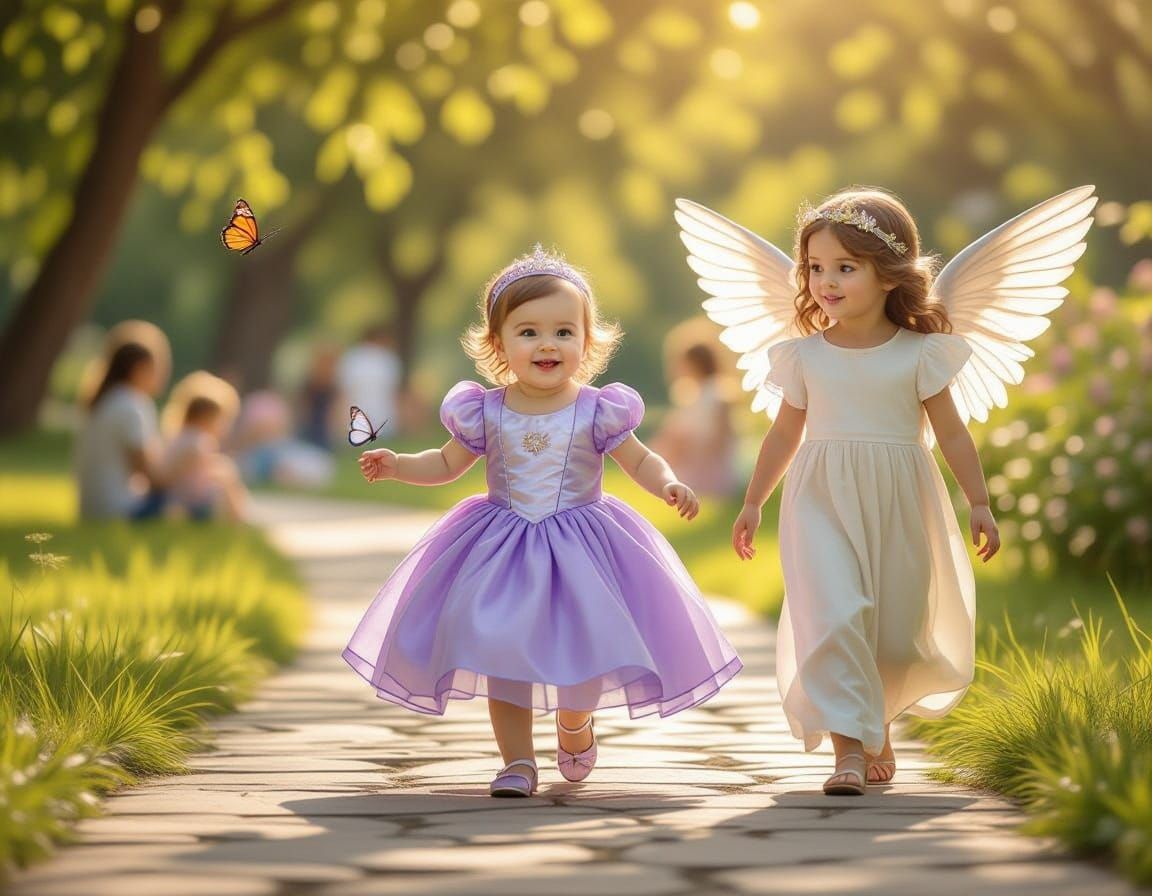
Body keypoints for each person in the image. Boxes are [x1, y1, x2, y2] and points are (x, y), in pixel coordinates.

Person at [675, 185, 1096, 795]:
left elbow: (952, 434)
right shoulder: (804, 357)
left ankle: (877, 722)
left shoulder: (920, 354)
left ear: (889, 274)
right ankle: (848, 751)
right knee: (836, 615)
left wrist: (980, 502)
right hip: (820, 499)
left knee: (894, 630)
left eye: (846, 268)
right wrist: (753, 501)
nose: (826, 281)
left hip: (902, 499)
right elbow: (783, 434)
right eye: (815, 267)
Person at [345, 245, 742, 797]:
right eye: (528, 332)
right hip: (503, 547)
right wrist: (398, 466)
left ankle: (575, 720)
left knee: (585, 649)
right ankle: (517, 760)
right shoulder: (484, 410)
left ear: (587, 341)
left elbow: (640, 460)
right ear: (498, 344)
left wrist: (668, 482)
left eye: (563, 332)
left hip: (581, 548)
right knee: (500, 649)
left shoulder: (598, 409)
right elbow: (445, 463)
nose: (547, 344)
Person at [75, 323, 171, 521]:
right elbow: (149, 475)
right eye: (157, 368)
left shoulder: (105, 400)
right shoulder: (132, 405)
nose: (162, 375)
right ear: (139, 369)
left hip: (91, 511)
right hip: (120, 511)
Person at [650, 338, 738, 497]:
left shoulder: (718, 392)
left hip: (709, 463)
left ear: (696, 363)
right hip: (694, 457)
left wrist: (703, 459)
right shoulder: (690, 393)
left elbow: (722, 436)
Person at [161, 372, 248, 521]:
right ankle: (239, 521)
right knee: (226, 477)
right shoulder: (199, 442)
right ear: (207, 418)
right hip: (187, 501)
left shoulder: (179, 437)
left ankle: (239, 520)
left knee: (225, 473)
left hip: (178, 497)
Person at [337, 322, 401, 439]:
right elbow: (394, 393)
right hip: (384, 418)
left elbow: (344, 392)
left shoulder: (352, 357)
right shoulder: (388, 359)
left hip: (357, 417)